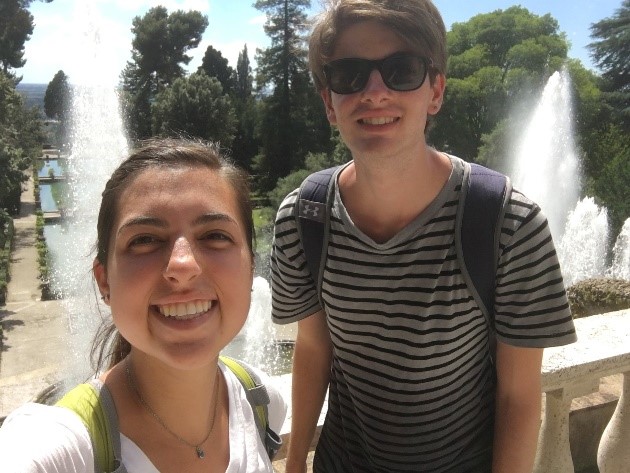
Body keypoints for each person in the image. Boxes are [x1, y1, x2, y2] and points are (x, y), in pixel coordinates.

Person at [270, 1, 577, 472]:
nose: (374, 92)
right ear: (328, 101)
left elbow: (518, 398)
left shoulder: (509, 225)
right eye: (349, 75)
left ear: (436, 91)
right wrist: (294, 463)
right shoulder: (304, 218)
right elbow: (314, 348)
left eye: (402, 70)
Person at [0, 138, 286, 472]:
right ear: (105, 281)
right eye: (145, 240)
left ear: (251, 267)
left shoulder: (262, 401)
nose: (183, 266)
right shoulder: (60, 447)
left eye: (215, 236)